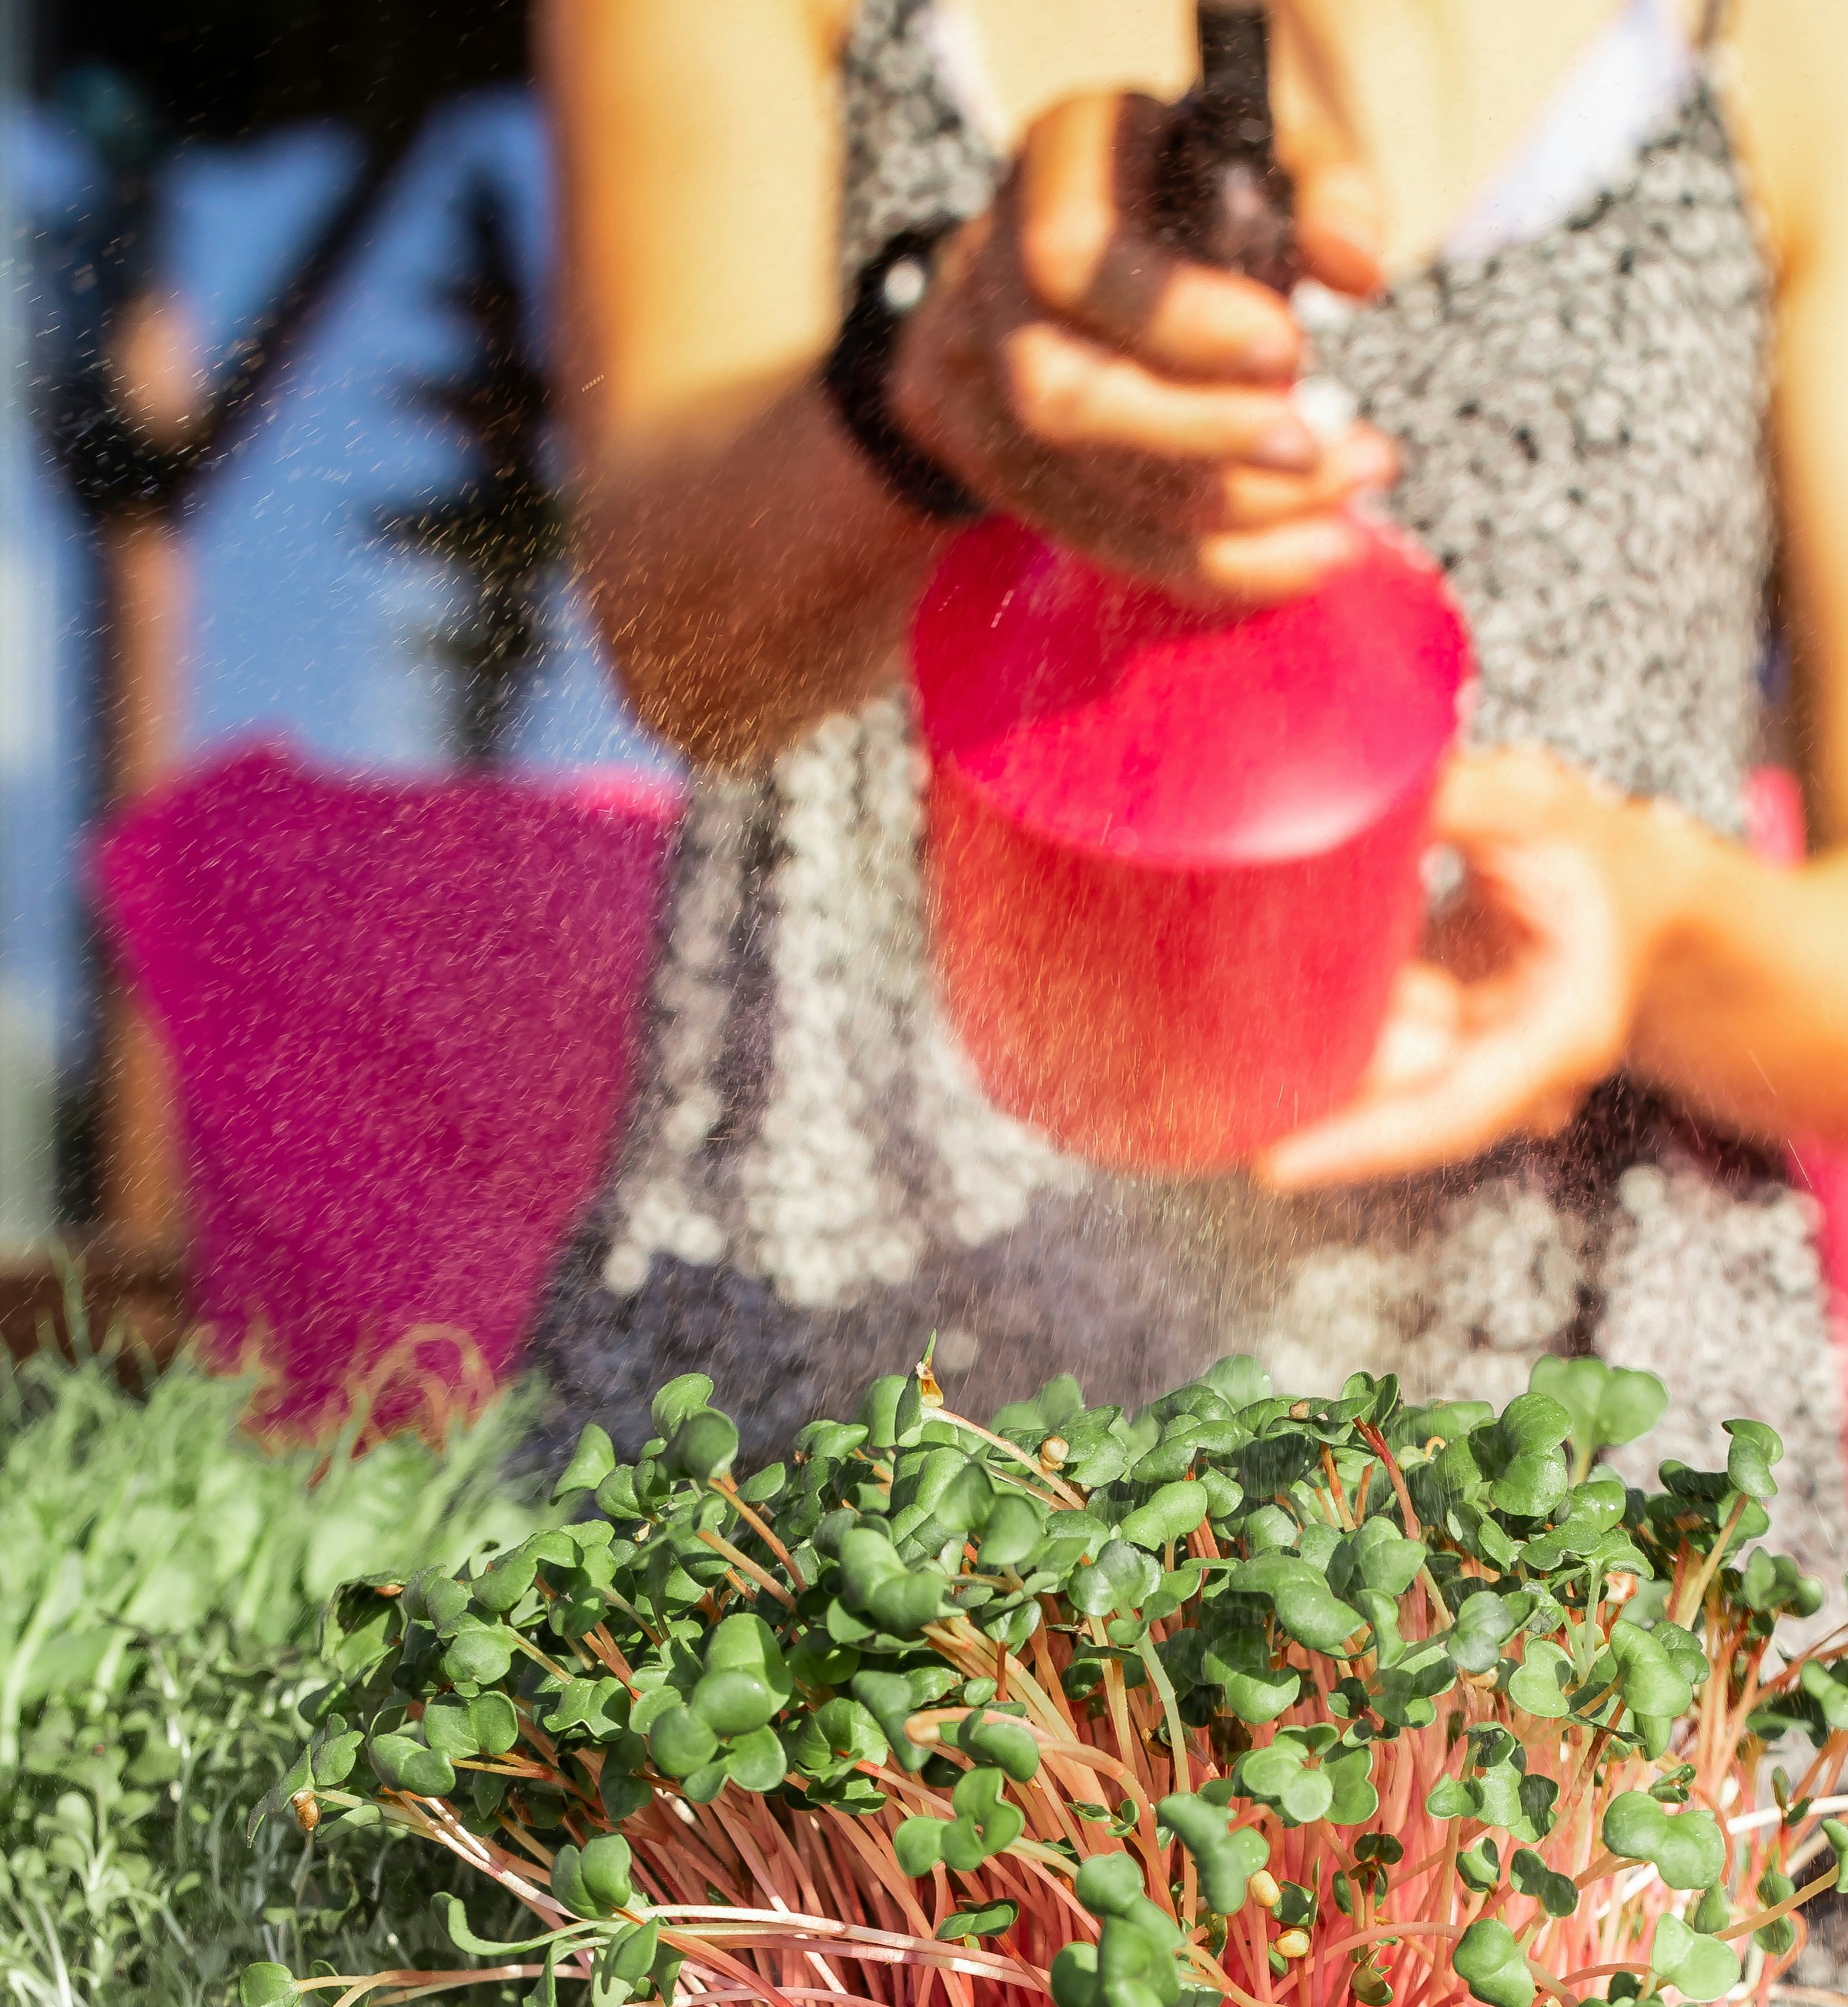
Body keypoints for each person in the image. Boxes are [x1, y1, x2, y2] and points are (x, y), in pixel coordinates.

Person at [532, 0, 1848, 1572]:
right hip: (821, 1455)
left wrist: (1650, 942)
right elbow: (683, 649)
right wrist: (926, 381)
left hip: (1580, 1487)